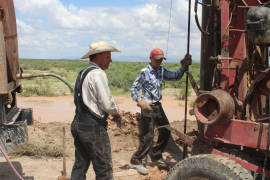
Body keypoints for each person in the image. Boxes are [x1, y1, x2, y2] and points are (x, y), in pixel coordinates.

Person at [129, 48, 192, 175]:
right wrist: (140, 101)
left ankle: (156, 155)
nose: (159, 62)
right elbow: (134, 89)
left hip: (157, 106)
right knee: (148, 136)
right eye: (157, 59)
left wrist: (183, 67)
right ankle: (136, 160)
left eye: (161, 60)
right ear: (151, 58)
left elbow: (175, 77)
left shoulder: (161, 70)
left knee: (165, 130)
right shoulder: (144, 72)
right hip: (147, 107)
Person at [70, 41, 122, 180]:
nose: (110, 60)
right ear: (97, 56)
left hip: (78, 123)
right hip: (92, 128)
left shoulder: (83, 72)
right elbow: (107, 104)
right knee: (104, 169)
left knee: (80, 166)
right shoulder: (98, 73)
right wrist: (117, 112)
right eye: (108, 56)